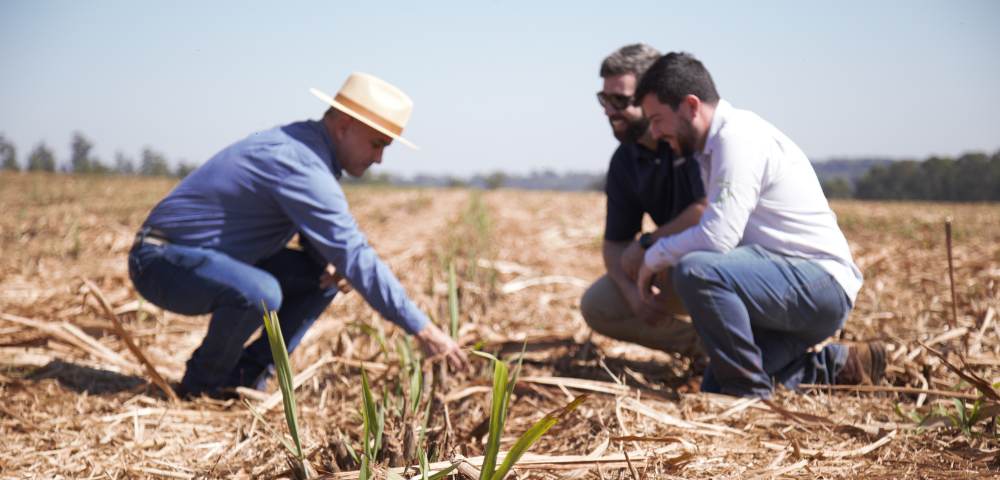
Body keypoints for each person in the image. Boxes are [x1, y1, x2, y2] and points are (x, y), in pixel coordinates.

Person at [128, 72, 467, 398]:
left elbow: (328, 249)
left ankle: (243, 379)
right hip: (162, 260)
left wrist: (329, 262)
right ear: (345, 125)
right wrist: (424, 329)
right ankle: (202, 386)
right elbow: (354, 255)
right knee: (262, 292)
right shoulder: (299, 162)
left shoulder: (305, 149)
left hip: (213, 257)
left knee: (322, 277)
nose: (379, 158)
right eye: (377, 144)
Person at [633, 52, 884, 398]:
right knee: (715, 386)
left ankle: (748, 395)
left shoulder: (737, 139)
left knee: (696, 271)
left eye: (658, 119)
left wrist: (654, 255)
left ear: (691, 106)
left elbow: (719, 236)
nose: (655, 132)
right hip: (789, 291)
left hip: (818, 284)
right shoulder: (712, 150)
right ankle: (836, 365)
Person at [579, 44, 707, 359]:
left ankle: (756, 350)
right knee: (599, 305)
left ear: (651, 93)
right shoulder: (625, 161)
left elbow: (707, 209)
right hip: (673, 265)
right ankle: (705, 351)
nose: (608, 110)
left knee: (693, 269)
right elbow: (615, 246)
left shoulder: (693, 139)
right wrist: (634, 299)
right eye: (604, 99)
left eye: (620, 100)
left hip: (723, 264)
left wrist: (649, 241)